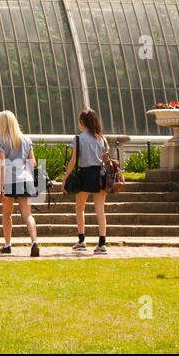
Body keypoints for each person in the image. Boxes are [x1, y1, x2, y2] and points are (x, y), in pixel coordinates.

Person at [60, 108, 111, 253]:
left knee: (80, 207)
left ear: (82, 122)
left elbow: (73, 161)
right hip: (100, 174)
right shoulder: (102, 138)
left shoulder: (78, 138)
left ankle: (82, 240)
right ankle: (102, 243)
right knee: (100, 210)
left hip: (85, 174)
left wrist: (65, 179)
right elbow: (106, 158)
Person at [0, 110, 40, 256]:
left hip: (9, 181)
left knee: (7, 214)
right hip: (25, 179)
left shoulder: (1, 141)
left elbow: (2, 164)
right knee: (28, 214)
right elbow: (33, 163)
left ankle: (7, 244)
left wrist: (1, 186)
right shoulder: (26, 139)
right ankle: (34, 242)